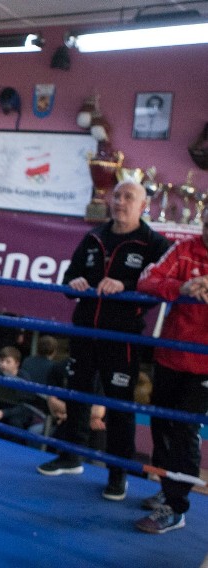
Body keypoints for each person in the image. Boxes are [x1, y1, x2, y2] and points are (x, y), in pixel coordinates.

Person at [37, 180, 170, 502]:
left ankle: (117, 473)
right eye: (117, 196)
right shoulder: (94, 236)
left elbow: (160, 288)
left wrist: (126, 286)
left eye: (129, 197)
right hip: (84, 330)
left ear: (143, 206)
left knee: (118, 406)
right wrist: (75, 282)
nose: (120, 201)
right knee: (77, 395)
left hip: (120, 336)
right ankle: (70, 456)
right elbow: (69, 280)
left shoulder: (154, 243)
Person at [134, 212, 208, 533]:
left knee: (184, 430)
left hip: (204, 365)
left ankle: (177, 508)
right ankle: (167, 489)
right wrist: (183, 287)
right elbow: (146, 280)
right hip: (169, 356)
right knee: (161, 425)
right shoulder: (184, 249)